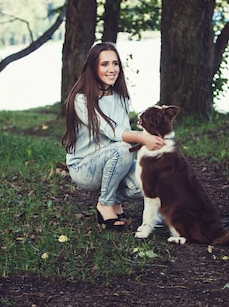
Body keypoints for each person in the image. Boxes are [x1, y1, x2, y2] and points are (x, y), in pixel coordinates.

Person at [62, 42, 165, 230]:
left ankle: (114, 200)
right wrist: (142, 138)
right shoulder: (81, 99)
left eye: (115, 64)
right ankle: (105, 203)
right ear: (93, 68)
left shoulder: (121, 97)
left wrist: (152, 141)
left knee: (151, 180)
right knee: (123, 149)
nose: (112, 69)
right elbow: (113, 132)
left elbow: (123, 132)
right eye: (105, 64)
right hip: (84, 167)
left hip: (115, 159)